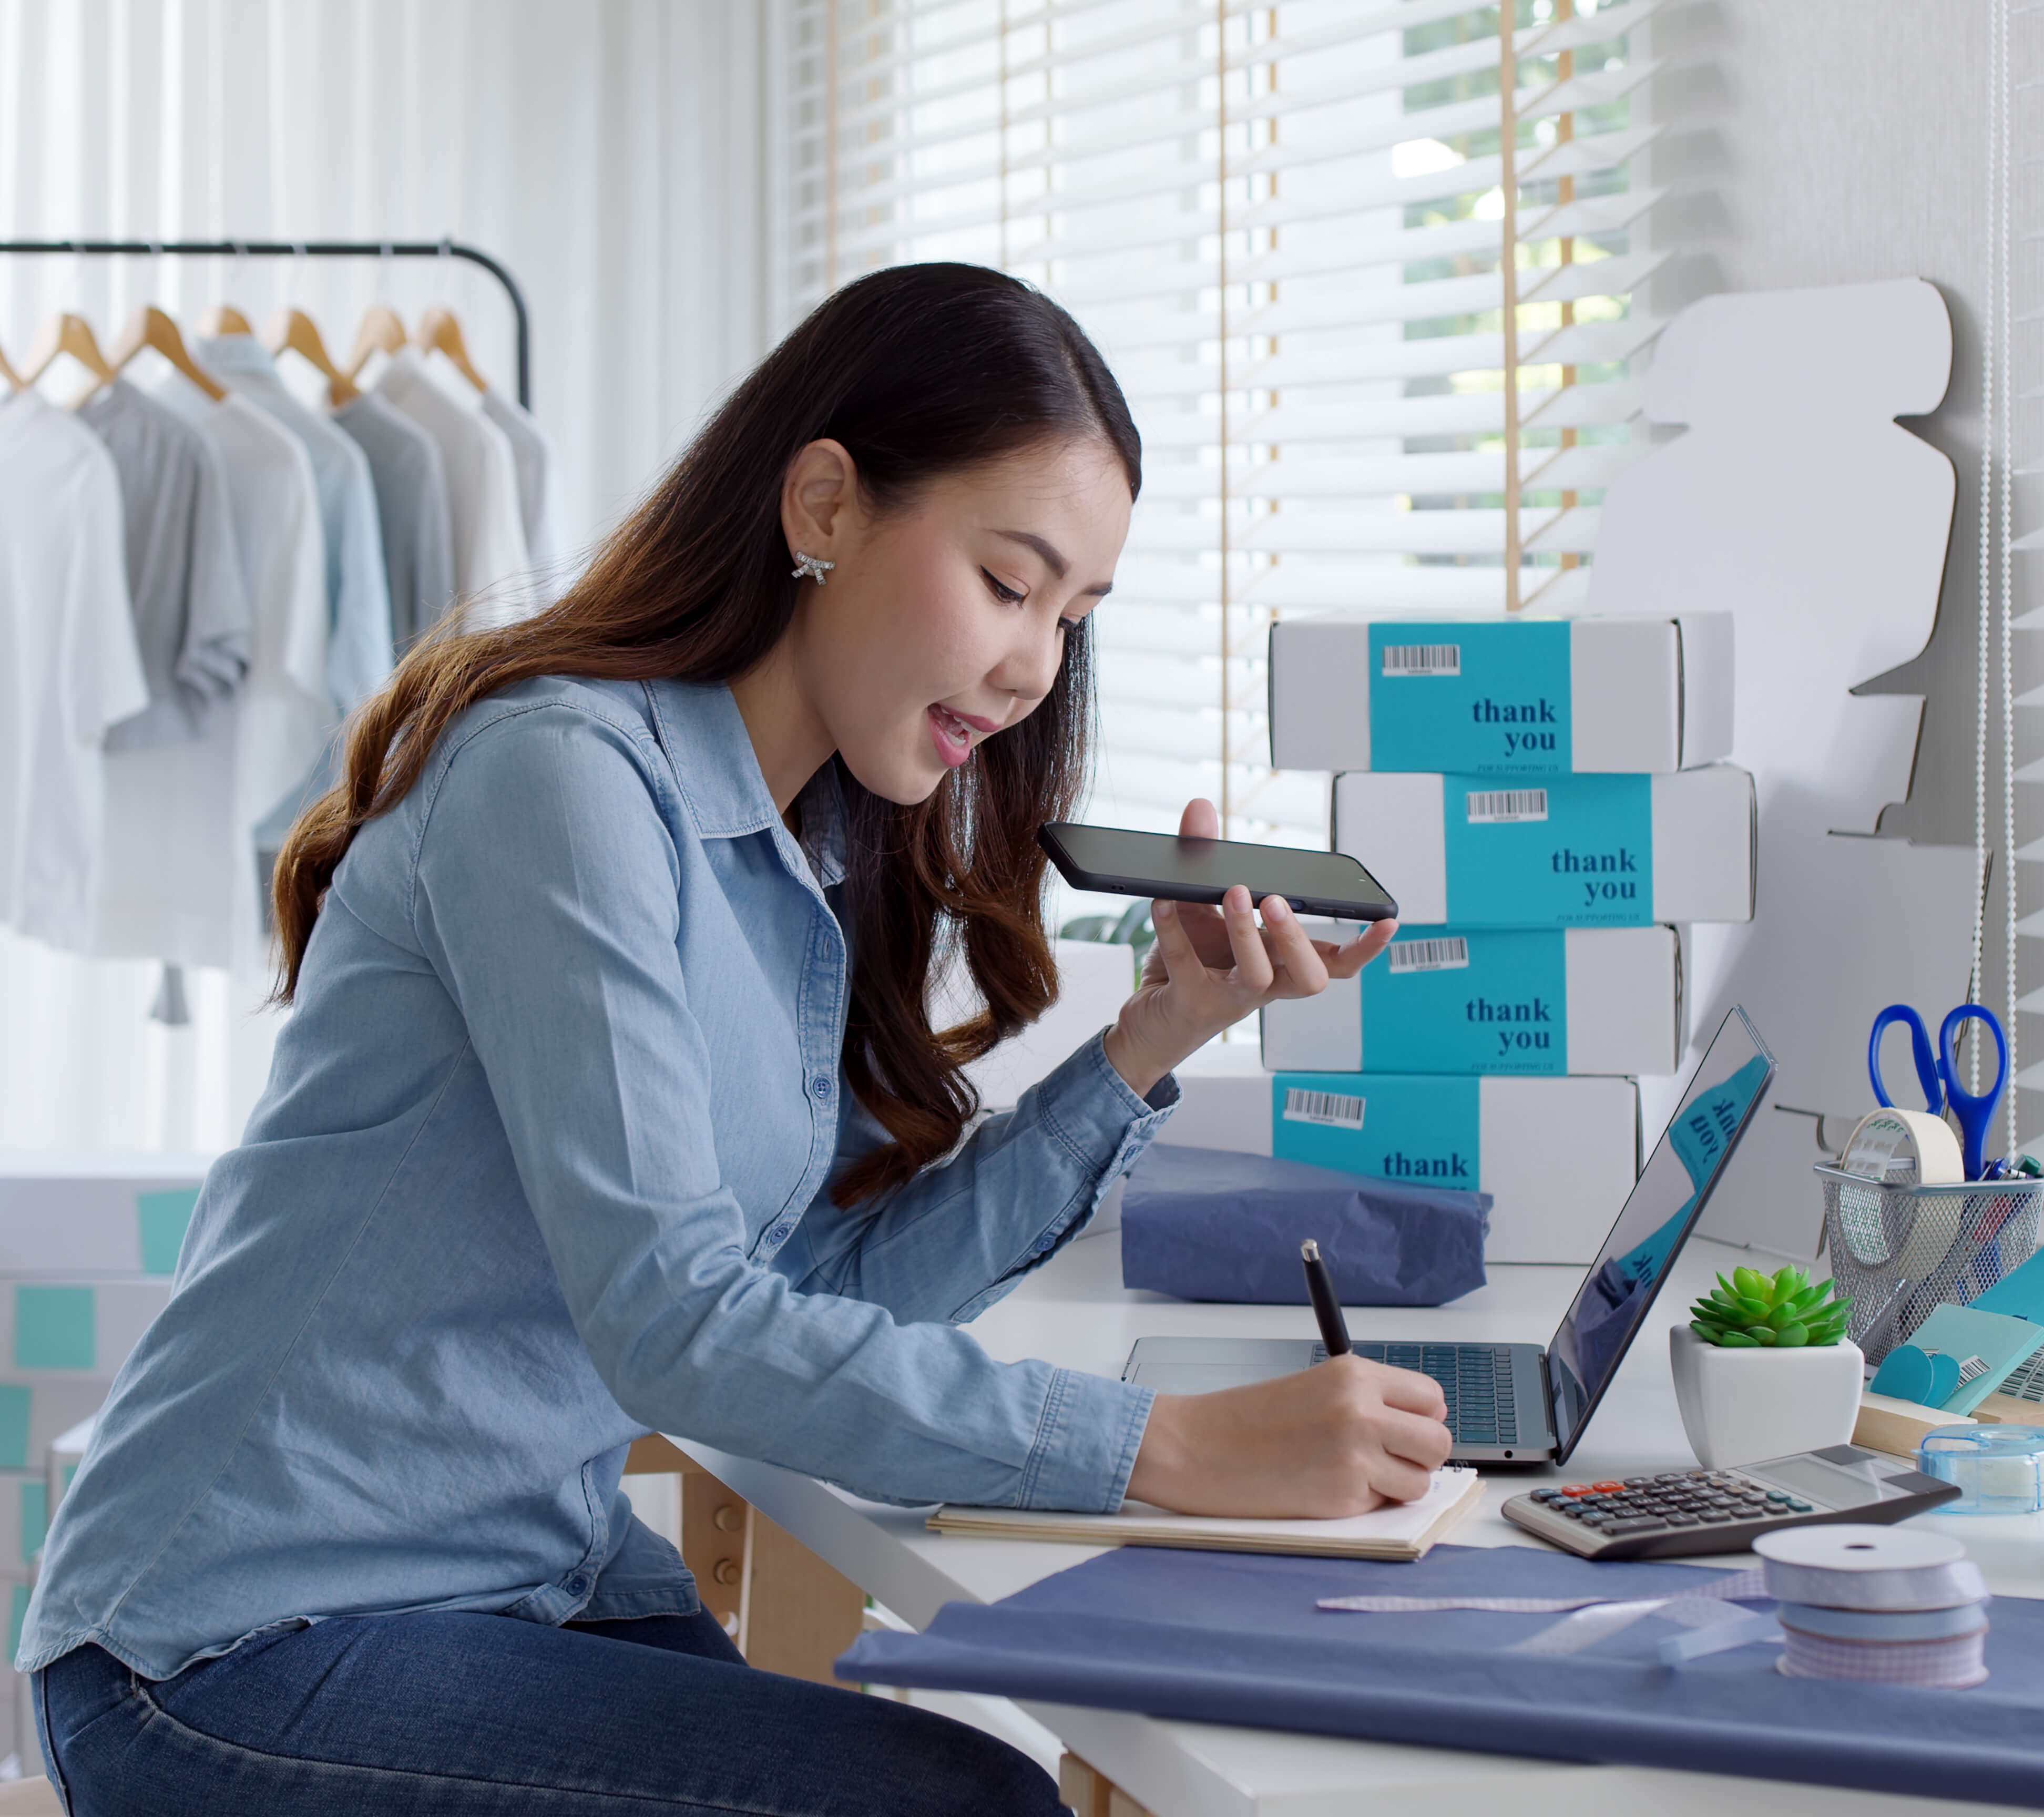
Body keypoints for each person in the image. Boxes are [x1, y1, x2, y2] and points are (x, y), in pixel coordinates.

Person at [22, 263, 1451, 1815]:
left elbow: (808, 1297)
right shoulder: (561, 779)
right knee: (965, 1802)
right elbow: (675, 1324)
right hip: (233, 1641)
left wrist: (1155, 1041)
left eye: (1075, 613)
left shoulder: (800, 851)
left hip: (520, 1578)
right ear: (827, 506)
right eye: (1009, 580)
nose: (1040, 664)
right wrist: (1163, 1447)